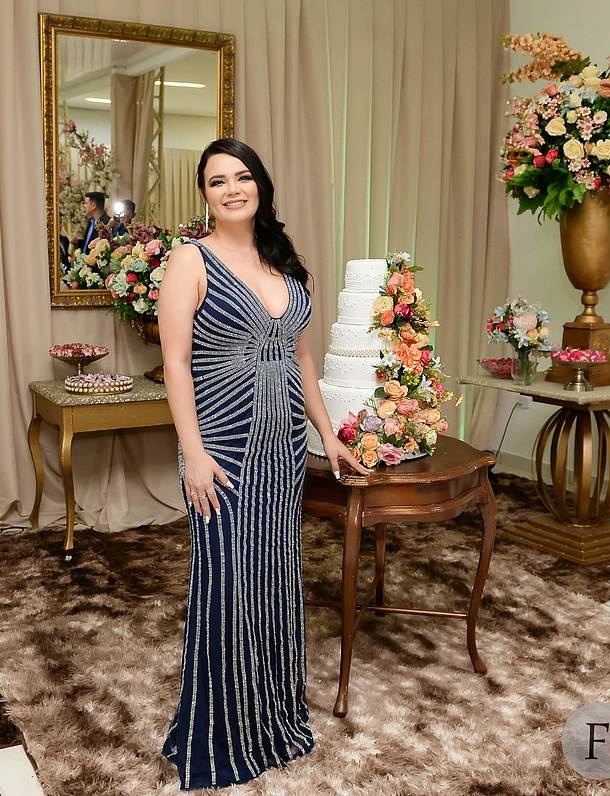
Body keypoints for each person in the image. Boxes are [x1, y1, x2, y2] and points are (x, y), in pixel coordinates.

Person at [158, 138, 369, 790]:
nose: (232, 189)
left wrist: (327, 436)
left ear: (261, 186)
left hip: (282, 452)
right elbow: (175, 365)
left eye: (242, 176)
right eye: (217, 180)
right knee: (227, 584)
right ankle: (222, 733)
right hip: (220, 450)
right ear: (204, 195)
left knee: (274, 580)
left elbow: (300, 357)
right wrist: (193, 455)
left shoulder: (283, 260)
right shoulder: (189, 260)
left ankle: (272, 718)